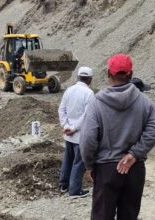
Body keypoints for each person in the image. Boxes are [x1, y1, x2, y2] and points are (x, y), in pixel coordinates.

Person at [80, 54, 155, 220]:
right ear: (131, 75)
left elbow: (88, 138)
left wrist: (89, 165)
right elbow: (154, 129)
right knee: (129, 215)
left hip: (106, 169)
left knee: (102, 215)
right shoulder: (144, 101)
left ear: (108, 74)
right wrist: (134, 154)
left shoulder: (97, 103)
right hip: (135, 169)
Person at [58, 66, 94, 198]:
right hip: (80, 136)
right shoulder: (89, 93)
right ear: (89, 79)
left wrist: (66, 126)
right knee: (79, 163)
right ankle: (74, 190)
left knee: (68, 160)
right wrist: (73, 128)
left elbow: (61, 110)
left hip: (68, 135)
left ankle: (64, 185)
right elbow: (86, 116)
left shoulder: (69, 90)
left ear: (78, 77)